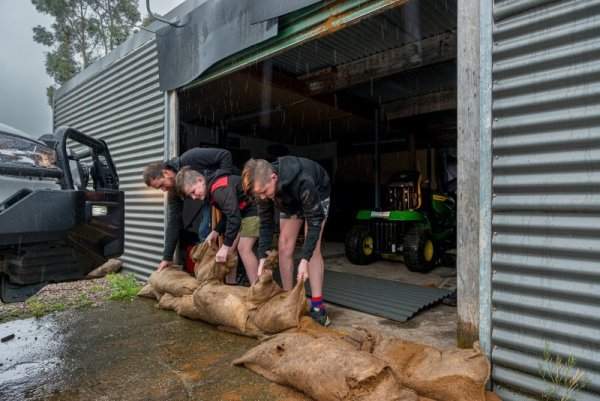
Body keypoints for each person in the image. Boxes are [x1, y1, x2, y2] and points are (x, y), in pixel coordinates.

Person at [241, 156, 331, 326]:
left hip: (316, 192)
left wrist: (304, 260)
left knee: (313, 249)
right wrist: (262, 258)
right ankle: (289, 299)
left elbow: (313, 223)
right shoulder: (263, 190)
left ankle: (318, 307)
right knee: (284, 245)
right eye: (259, 194)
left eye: (265, 192)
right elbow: (266, 224)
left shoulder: (304, 181)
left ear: (273, 178)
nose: (263, 197)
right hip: (288, 200)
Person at [143, 147, 235, 273]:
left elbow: (224, 154)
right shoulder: (173, 192)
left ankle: (230, 269)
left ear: (166, 173)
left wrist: (225, 186)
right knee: (204, 233)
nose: (163, 190)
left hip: (230, 191)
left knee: (222, 230)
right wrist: (167, 257)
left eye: (162, 185)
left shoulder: (191, 157)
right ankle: (211, 274)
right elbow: (173, 223)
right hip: (211, 198)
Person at [175, 166, 259, 285]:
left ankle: (258, 289)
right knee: (230, 250)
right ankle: (231, 285)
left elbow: (233, 217)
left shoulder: (219, 189)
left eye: (193, 192)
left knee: (243, 248)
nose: (194, 197)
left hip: (253, 210)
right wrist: (215, 231)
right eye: (190, 196)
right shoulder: (212, 190)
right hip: (242, 214)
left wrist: (224, 246)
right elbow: (227, 214)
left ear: (200, 180)